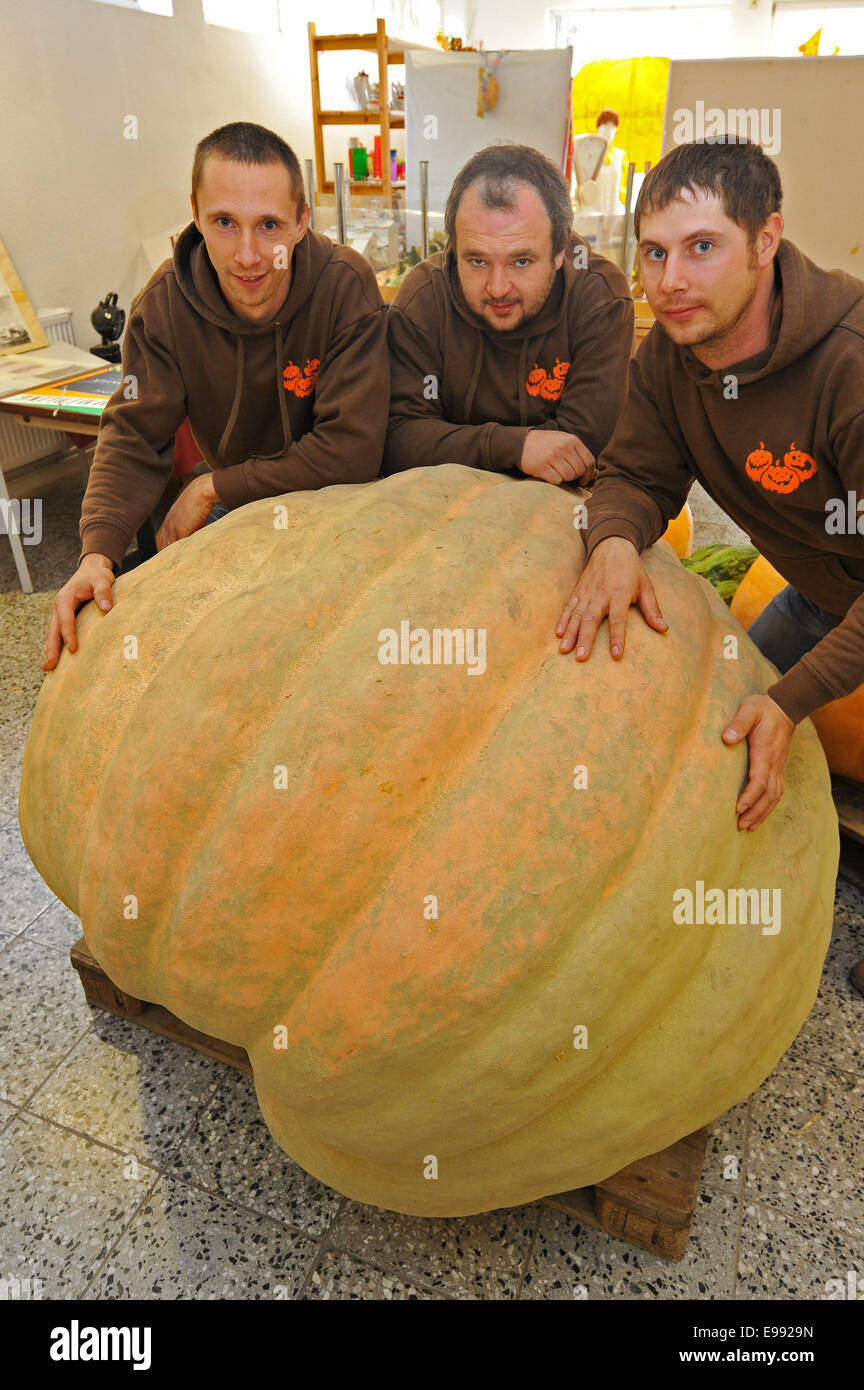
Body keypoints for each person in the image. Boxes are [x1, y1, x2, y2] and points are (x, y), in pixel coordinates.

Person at [555, 138, 864, 996]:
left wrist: (793, 698)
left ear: (767, 241)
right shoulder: (670, 356)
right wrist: (614, 539)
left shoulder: (851, 366)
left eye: (702, 247)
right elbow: (637, 474)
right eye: (654, 252)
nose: (670, 280)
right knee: (724, 732)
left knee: (773, 712)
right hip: (823, 589)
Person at [42, 121, 389, 670]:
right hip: (243, 504)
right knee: (178, 652)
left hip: (343, 501)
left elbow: (352, 450)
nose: (248, 255)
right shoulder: (161, 305)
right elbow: (134, 435)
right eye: (224, 222)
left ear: (302, 222)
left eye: (269, 225)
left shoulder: (344, 285)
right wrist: (97, 553)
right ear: (196, 214)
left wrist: (211, 485)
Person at [382, 143, 634, 488]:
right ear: (453, 248)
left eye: (521, 262)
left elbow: (581, 451)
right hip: (439, 504)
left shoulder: (600, 298)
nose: (498, 288)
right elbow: (398, 439)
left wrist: (448, 442)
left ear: (560, 251)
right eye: (478, 261)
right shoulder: (423, 298)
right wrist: (517, 447)